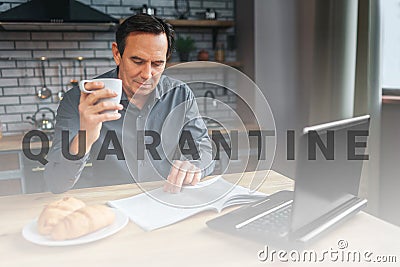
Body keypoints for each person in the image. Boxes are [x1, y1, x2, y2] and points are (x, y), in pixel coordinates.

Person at [44, 14, 214, 194]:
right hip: (109, 205)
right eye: (137, 61)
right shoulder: (79, 99)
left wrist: (195, 164)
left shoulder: (179, 94)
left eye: (157, 63)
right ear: (117, 54)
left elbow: (203, 147)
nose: (147, 74)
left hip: (166, 199)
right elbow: (56, 183)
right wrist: (85, 135)